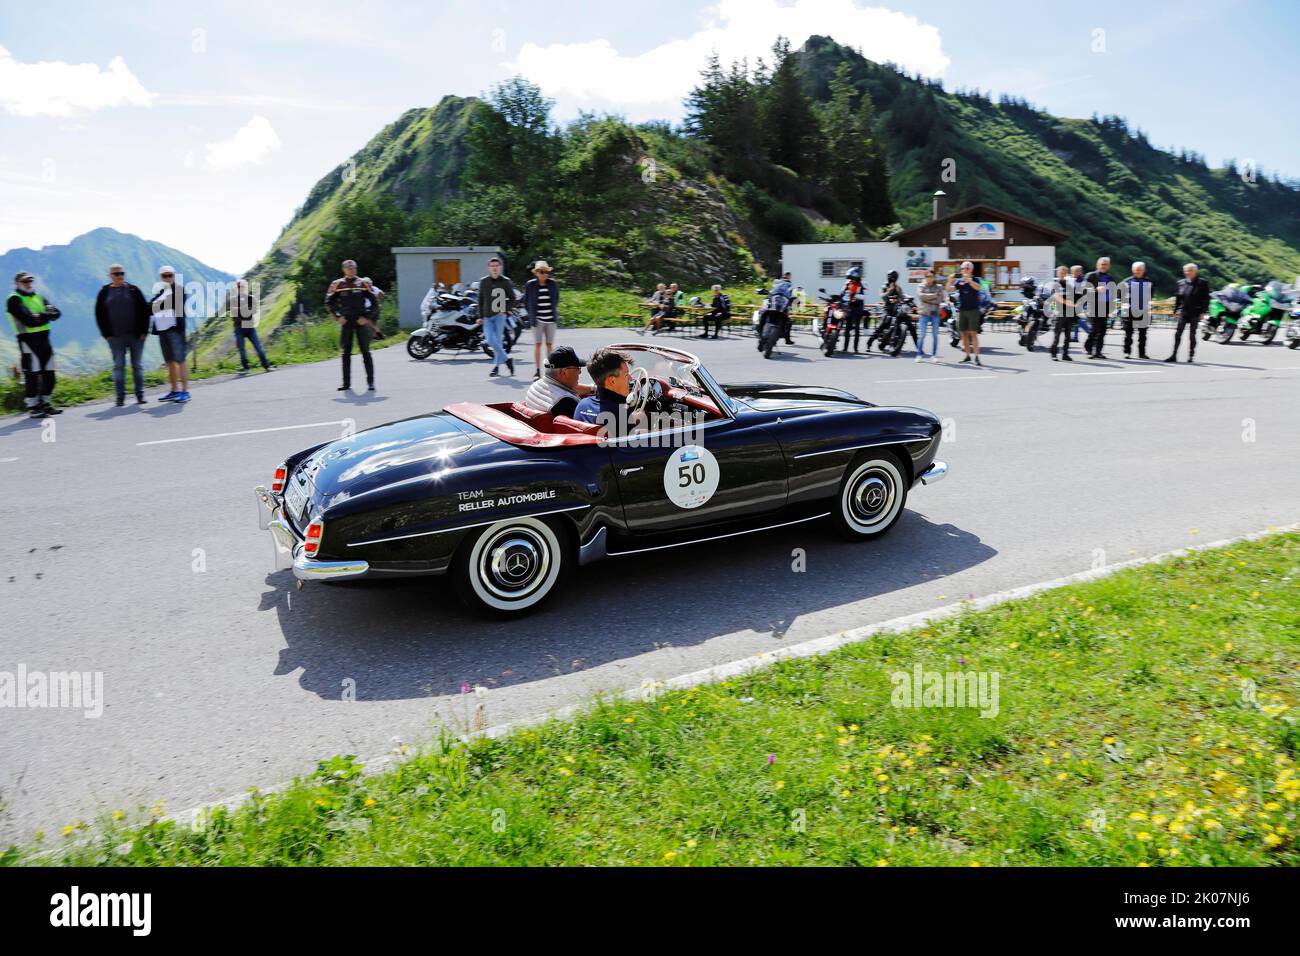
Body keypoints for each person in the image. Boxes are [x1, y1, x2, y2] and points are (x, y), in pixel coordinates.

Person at [6, 271, 62, 418]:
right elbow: (28, 321)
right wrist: (46, 316)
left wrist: (41, 316)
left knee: (50, 374)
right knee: (32, 374)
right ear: (17, 283)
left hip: (44, 340)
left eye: (30, 281)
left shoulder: (38, 296)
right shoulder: (14, 300)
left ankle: (45, 403)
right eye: (25, 282)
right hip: (27, 341)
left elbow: (57, 313)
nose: (28, 284)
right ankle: (33, 407)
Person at [94, 263, 151, 406]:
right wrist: (106, 334)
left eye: (122, 273)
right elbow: (99, 314)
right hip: (115, 337)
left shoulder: (133, 290)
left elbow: (145, 311)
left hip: (136, 336)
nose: (120, 276)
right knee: (119, 366)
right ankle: (120, 397)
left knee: (137, 365)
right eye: (116, 274)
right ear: (110, 276)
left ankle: (140, 395)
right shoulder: (104, 292)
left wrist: (144, 331)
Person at [326, 259, 378, 392]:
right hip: (346, 322)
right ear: (343, 269)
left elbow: (374, 303)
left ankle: (371, 382)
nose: (352, 269)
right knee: (346, 353)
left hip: (360, 321)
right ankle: (346, 384)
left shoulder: (363, 283)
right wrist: (338, 317)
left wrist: (366, 317)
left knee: (365, 352)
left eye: (354, 267)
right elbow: (329, 303)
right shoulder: (337, 284)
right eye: (349, 267)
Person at [573, 347, 641, 438]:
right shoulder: (620, 414)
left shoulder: (582, 405)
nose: (631, 379)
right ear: (612, 380)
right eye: (626, 374)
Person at [149, 266, 190, 403]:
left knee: (180, 360)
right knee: (170, 362)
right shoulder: (161, 292)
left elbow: (173, 304)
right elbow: (149, 308)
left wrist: (157, 306)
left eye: (170, 275)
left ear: (174, 275)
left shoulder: (179, 289)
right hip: (163, 331)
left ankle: (185, 392)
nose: (167, 278)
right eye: (164, 276)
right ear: (161, 277)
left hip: (175, 330)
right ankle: (174, 391)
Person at [522, 345, 594, 417]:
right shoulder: (566, 403)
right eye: (578, 368)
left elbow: (572, 388)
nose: (579, 373)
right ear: (564, 372)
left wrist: (594, 388)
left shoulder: (537, 385)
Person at [475, 256, 517, 376]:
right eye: (492, 266)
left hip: (500, 316)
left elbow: (513, 299)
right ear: (489, 268)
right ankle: (507, 360)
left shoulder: (505, 281)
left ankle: (496, 367)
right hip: (487, 317)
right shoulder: (484, 281)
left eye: (496, 266)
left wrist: (505, 309)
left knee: (497, 341)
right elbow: (480, 300)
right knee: (490, 340)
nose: (494, 268)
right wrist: (480, 316)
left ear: (500, 267)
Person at [227, 278, 273, 373]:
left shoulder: (250, 298)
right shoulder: (234, 300)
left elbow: (254, 310)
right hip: (240, 327)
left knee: (258, 347)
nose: (240, 288)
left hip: (247, 327)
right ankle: (247, 368)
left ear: (245, 287)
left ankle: (266, 366)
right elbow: (235, 315)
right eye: (239, 287)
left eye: (242, 286)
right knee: (242, 350)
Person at [524, 260, 560, 380]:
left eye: (545, 272)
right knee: (538, 345)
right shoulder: (530, 285)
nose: (543, 274)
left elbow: (556, 299)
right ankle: (537, 371)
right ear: (536, 273)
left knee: (549, 345)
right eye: (540, 272)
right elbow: (526, 302)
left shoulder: (553, 284)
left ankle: (550, 371)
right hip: (537, 320)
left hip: (550, 320)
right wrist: (532, 316)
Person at [1168, 262, 1210, 363]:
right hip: (1183, 311)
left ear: (1195, 271)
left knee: (1192, 334)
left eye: (1190, 271)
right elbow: (1178, 298)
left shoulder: (1202, 283)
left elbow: (1206, 299)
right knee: (1178, 334)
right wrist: (1176, 310)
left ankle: (1191, 356)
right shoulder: (1181, 283)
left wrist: (1203, 312)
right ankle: (1173, 355)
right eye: (1186, 271)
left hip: (1195, 312)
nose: (1188, 272)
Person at [946, 261, 983, 366]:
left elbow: (978, 288)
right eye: (962, 268)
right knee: (963, 334)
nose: (964, 270)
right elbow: (949, 289)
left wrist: (969, 280)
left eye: (966, 268)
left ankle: (976, 357)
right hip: (962, 310)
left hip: (973, 310)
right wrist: (949, 281)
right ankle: (967, 356)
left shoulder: (976, 279)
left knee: (973, 334)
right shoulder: (959, 281)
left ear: (971, 269)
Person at [1083, 257, 1116, 359]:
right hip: (1093, 306)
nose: (1103, 266)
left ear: (1108, 266)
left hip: (1105, 307)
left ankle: (1098, 352)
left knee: (1102, 331)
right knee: (1094, 329)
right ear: (1098, 265)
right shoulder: (1091, 276)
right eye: (1102, 264)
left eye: (1105, 264)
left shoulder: (1110, 277)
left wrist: (1112, 308)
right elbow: (1084, 290)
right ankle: (1089, 350)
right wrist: (1095, 289)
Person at [1119, 261, 1153, 359]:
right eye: (1136, 270)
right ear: (1133, 270)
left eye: (1140, 270)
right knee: (1128, 334)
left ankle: (1142, 353)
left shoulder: (1148, 282)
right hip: (1129, 311)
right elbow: (1119, 294)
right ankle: (1127, 352)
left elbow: (1150, 295)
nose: (1138, 271)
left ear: (1144, 270)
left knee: (1143, 335)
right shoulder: (1126, 282)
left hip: (1143, 311)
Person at [867, 270, 904, 352]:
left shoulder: (898, 287)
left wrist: (902, 295)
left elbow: (902, 297)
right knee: (883, 324)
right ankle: (869, 343)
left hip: (895, 309)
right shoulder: (884, 286)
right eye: (891, 277)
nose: (892, 279)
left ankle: (896, 343)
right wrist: (889, 290)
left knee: (899, 324)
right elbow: (882, 297)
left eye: (894, 277)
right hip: (887, 309)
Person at [1047, 265, 1076, 362]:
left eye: (1064, 272)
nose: (1062, 274)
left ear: (1066, 273)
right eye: (1061, 272)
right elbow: (1054, 299)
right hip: (1059, 313)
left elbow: (1073, 298)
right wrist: (1054, 311)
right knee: (1057, 335)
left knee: (1068, 336)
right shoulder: (1055, 285)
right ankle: (1054, 354)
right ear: (1058, 273)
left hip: (1069, 313)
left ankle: (1065, 354)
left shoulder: (1070, 286)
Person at [915, 272, 943, 363]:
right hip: (924, 313)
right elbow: (921, 296)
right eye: (927, 276)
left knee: (935, 335)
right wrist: (934, 296)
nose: (929, 278)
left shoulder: (939, 287)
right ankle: (919, 354)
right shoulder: (921, 286)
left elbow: (940, 299)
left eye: (931, 276)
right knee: (922, 335)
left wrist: (928, 299)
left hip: (935, 314)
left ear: (934, 277)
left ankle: (934, 355)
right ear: (925, 277)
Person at [839, 266, 865, 352]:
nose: (851, 280)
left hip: (858, 308)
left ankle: (856, 349)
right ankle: (845, 348)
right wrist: (840, 295)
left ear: (857, 278)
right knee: (847, 328)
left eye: (852, 278)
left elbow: (863, 296)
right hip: (849, 307)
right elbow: (842, 292)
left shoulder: (861, 285)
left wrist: (855, 295)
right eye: (850, 278)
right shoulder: (847, 283)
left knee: (856, 329)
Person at [1068, 265, 1090, 343]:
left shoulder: (1083, 281)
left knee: (1078, 319)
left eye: (1074, 271)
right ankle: (1075, 336)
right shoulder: (1073, 279)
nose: (1072, 273)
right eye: (1072, 271)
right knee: (1075, 319)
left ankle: (1090, 333)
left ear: (1079, 272)